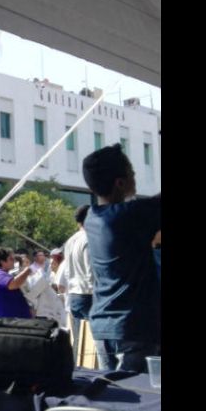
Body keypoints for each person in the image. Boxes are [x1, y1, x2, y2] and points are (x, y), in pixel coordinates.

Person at [82, 144, 160, 372]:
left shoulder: (91, 217)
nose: (135, 177)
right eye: (132, 173)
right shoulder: (128, 215)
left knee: (115, 395)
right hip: (133, 328)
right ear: (120, 182)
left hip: (103, 325)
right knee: (141, 399)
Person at [63, 205, 94, 364]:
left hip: (74, 293)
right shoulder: (89, 239)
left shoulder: (70, 240)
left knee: (77, 342)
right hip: (88, 294)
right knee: (92, 345)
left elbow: (67, 270)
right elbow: (91, 272)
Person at [0, 248, 33, 318]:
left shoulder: (0, 274)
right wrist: (28, 270)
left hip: (13, 323)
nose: (14, 261)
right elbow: (13, 284)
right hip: (8, 324)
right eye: (11, 259)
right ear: (2, 262)